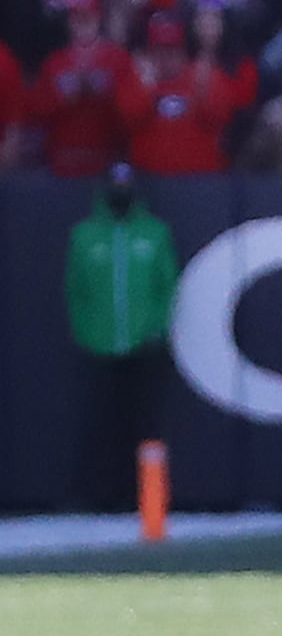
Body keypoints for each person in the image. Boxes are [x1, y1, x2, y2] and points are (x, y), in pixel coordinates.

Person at [63, 165, 178, 511]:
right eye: (115, 184)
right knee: (102, 423)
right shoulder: (84, 235)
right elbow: (75, 290)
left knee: (145, 424)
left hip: (143, 345)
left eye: (126, 184)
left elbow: (166, 285)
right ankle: (101, 496)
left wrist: (156, 327)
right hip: (100, 344)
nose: (121, 190)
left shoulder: (154, 233)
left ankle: (148, 498)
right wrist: (86, 332)